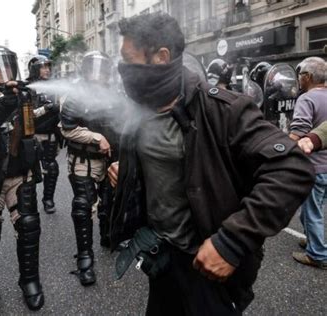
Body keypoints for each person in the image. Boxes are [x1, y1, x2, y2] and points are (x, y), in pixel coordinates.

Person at [108, 12, 314, 315]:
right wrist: (127, 172)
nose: (123, 69)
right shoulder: (138, 108)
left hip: (204, 266)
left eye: (129, 60)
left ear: (161, 57)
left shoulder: (223, 111)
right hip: (160, 258)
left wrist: (232, 241)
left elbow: (292, 168)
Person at [0, 45, 44, 310]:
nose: (2, 73)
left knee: (28, 226)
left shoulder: (23, 93)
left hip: (20, 174)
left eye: (6, 66)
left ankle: (30, 280)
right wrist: (7, 101)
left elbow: (36, 123)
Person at [60, 51, 121, 286]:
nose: (97, 76)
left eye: (101, 70)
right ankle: (85, 261)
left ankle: (108, 237)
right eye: (92, 70)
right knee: (83, 206)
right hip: (83, 161)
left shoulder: (113, 95)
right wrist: (95, 137)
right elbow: (67, 129)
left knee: (109, 202)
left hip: (108, 159)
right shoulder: (74, 96)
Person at [289, 56, 327, 270]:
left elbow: (299, 132)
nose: (298, 79)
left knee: (312, 211)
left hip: (315, 167)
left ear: (308, 77)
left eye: (300, 74)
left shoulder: (306, 98)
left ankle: (318, 255)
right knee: (314, 209)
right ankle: (314, 240)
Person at [27, 55, 61, 214]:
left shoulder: (54, 87)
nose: (47, 70)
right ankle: (29, 202)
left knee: (52, 169)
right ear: (35, 69)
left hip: (50, 136)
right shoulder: (27, 88)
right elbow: (27, 115)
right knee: (29, 172)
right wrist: (46, 109)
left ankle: (48, 199)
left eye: (49, 66)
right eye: (43, 67)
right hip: (33, 137)